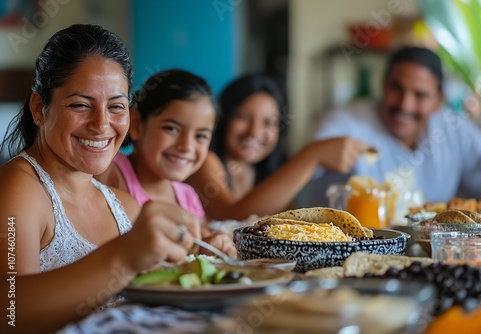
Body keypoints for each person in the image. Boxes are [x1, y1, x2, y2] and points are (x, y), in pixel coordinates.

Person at [0, 24, 201, 334]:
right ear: (40, 108)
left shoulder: (123, 206)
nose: (101, 124)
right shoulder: (20, 190)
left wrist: (197, 256)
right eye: (81, 105)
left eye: (116, 107)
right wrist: (123, 255)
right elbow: (8, 314)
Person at [298, 46, 481, 208]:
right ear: (384, 84)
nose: (405, 105)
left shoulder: (454, 129)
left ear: (439, 100)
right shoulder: (343, 123)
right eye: (397, 89)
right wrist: (314, 154)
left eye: (420, 95)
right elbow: (290, 193)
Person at [185, 74, 369, 220]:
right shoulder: (204, 161)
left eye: (268, 123)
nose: (255, 132)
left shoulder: (269, 175)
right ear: (223, 118)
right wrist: (312, 155)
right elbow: (232, 216)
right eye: (243, 117)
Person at [96, 69, 236, 256]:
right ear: (137, 124)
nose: (186, 146)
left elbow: (196, 249)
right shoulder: (111, 171)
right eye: (172, 128)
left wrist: (210, 246)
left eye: (200, 136)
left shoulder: (188, 198)